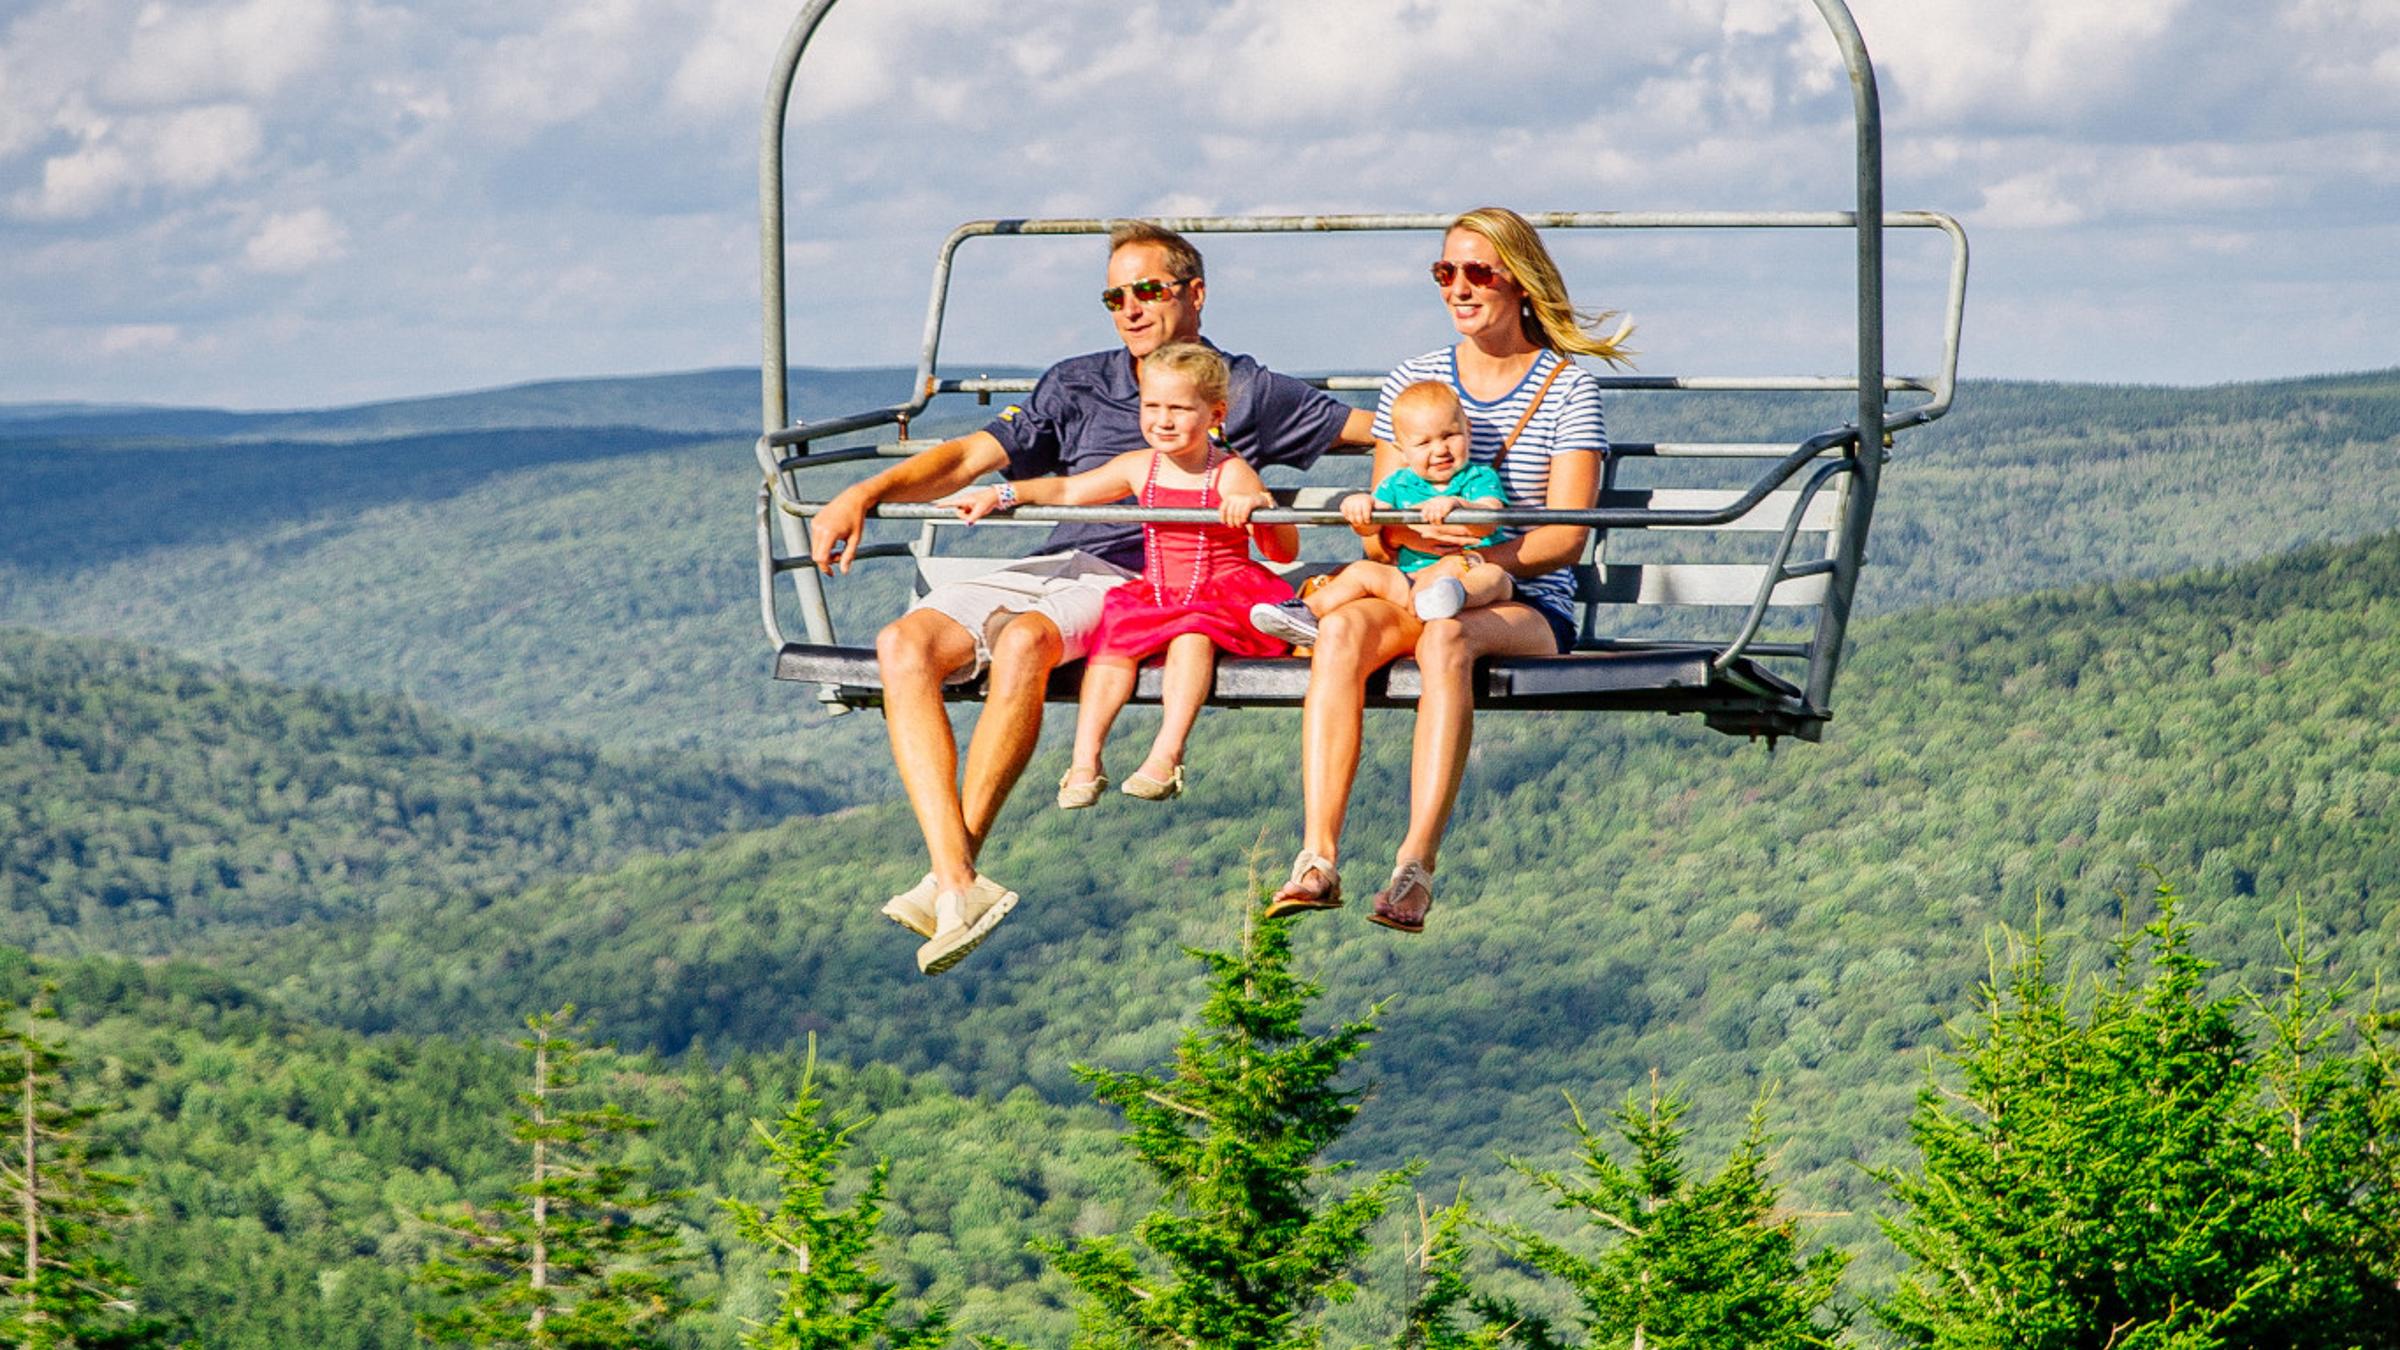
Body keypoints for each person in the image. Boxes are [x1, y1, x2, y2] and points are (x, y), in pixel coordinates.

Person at [808, 222, 1374, 976]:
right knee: (900, 646)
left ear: (1194, 294)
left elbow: (1380, 431)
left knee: (1023, 643)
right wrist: (865, 491)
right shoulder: (1075, 382)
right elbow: (973, 458)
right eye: (1115, 295)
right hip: (1055, 558)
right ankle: (955, 880)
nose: (1130, 309)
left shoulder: (1241, 389)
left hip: (1141, 582)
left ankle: (952, 880)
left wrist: (1424, 487)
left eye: (1148, 290)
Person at [1267, 206, 1632, 934]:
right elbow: (1382, 534)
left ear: (1519, 281)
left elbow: (1563, 538)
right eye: (1445, 272)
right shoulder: (1415, 380)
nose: (1459, 288)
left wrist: (1470, 564)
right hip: (1415, 580)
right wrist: (1376, 526)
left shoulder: (1567, 390)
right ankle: (1317, 856)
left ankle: (1414, 867)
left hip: (1520, 597)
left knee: (1446, 641)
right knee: (1339, 633)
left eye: (1477, 272)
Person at [954, 343, 1298, 810]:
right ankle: (1084, 760)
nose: (1164, 419)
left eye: (1179, 408)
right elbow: (1069, 489)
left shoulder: (1231, 473)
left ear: (1215, 413)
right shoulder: (1141, 467)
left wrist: (1259, 512)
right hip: (1159, 589)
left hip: (1220, 594)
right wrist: (1004, 493)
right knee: (1114, 642)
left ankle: (1166, 753)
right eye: (1152, 406)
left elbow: (1283, 550)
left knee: (1191, 637)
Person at [1248, 379, 1512, 644]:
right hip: (1410, 580)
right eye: (1423, 443)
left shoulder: (1478, 477)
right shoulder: (1398, 483)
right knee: (1362, 571)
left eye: (1449, 436)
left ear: (1468, 431)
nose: (1440, 450)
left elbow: (1490, 518)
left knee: (1493, 576)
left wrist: (1460, 505)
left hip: (1462, 571)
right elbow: (1373, 524)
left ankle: (1453, 597)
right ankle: (1306, 611)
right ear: (1403, 451)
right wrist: (1362, 507)